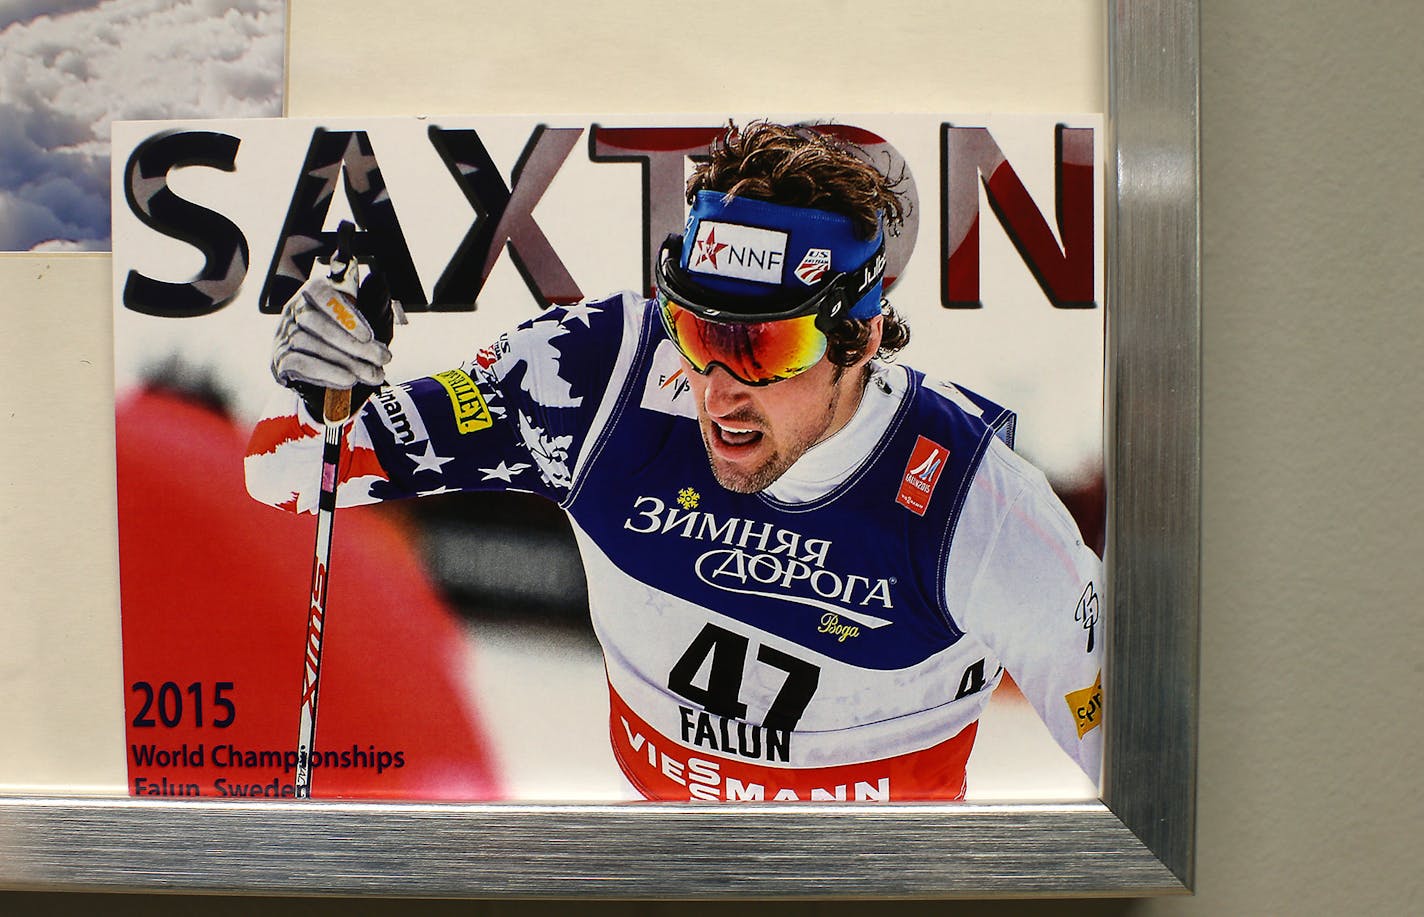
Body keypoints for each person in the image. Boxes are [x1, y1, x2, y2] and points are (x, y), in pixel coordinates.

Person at [245, 121, 1104, 802]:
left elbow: (1139, 776)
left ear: (862, 335)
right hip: (666, 870)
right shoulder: (594, 376)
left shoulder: (976, 504)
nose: (721, 389)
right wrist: (321, 380)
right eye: (697, 332)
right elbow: (282, 470)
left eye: (764, 347)